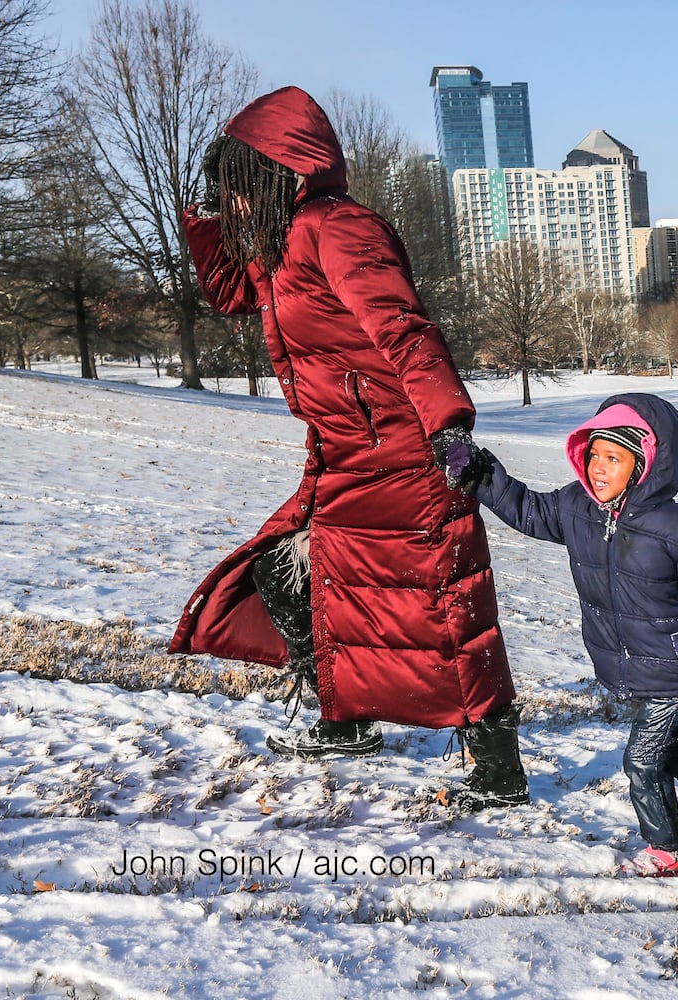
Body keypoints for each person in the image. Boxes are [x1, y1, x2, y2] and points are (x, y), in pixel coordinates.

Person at [166, 87, 529, 810]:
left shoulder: (339, 228)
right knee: (298, 575)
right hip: (341, 452)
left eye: (240, 187)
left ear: (280, 174)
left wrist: (447, 424)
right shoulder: (280, 245)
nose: (232, 203)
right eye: (224, 191)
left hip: (405, 450)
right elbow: (231, 294)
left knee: (442, 608)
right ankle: (345, 718)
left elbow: (403, 327)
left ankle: (499, 767)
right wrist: (208, 218)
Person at [473, 392, 678, 876]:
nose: (598, 467)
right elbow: (528, 510)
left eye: (613, 458)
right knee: (674, 757)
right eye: (593, 453)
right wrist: (484, 474)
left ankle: (664, 849)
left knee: (641, 761)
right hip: (636, 663)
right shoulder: (578, 508)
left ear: (644, 464)